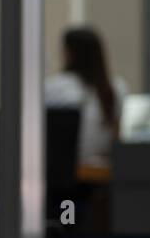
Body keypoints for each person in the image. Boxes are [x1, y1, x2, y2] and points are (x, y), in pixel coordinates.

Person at [45, 26, 127, 167]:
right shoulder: (117, 87)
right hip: (102, 169)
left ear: (69, 53)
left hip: (63, 168)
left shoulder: (55, 87)